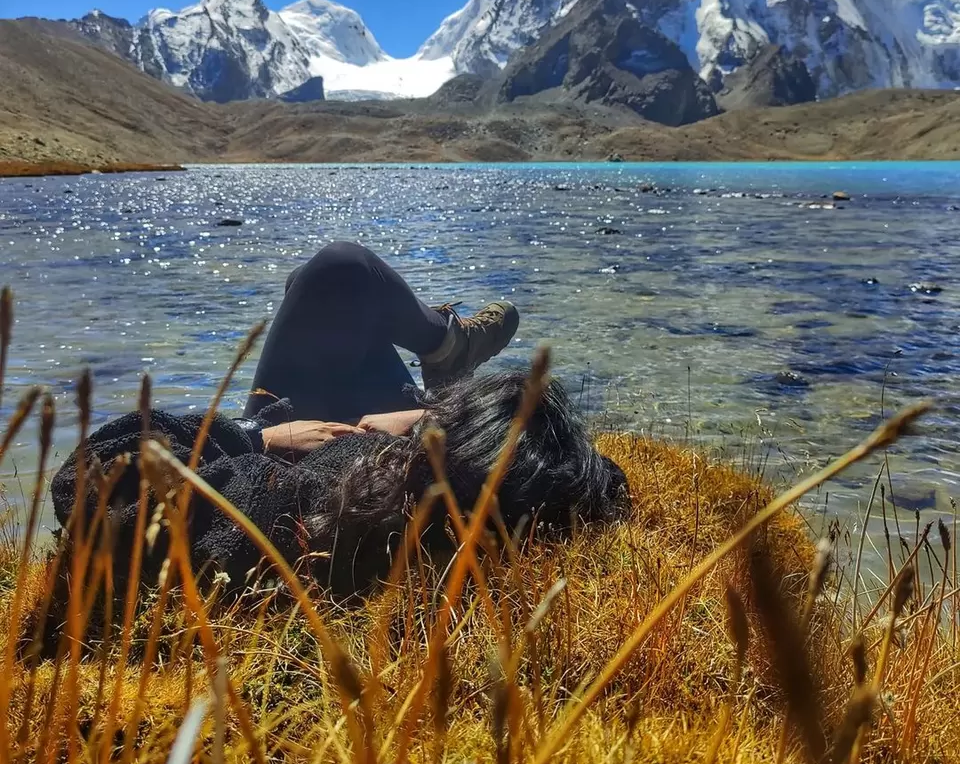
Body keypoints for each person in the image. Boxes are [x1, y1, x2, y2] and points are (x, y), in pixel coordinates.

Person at [51, 242, 630, 600]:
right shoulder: (407, 505)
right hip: (368, 448)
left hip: (288, 436)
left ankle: (445, 349)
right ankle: (446, 358)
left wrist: (263, 436)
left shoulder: (277, 511)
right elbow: (605, 481)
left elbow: (93, 482)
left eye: (436, 427)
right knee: (333, 294)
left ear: (411, 462)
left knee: (333, 274)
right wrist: (421, 422)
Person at [241, 240, 521, 456]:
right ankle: (449, 347)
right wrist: (260, 439)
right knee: (341, 271)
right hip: (263, 478)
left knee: (322, 292)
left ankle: (449, 348)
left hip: (245, 454)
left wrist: (251, 436)